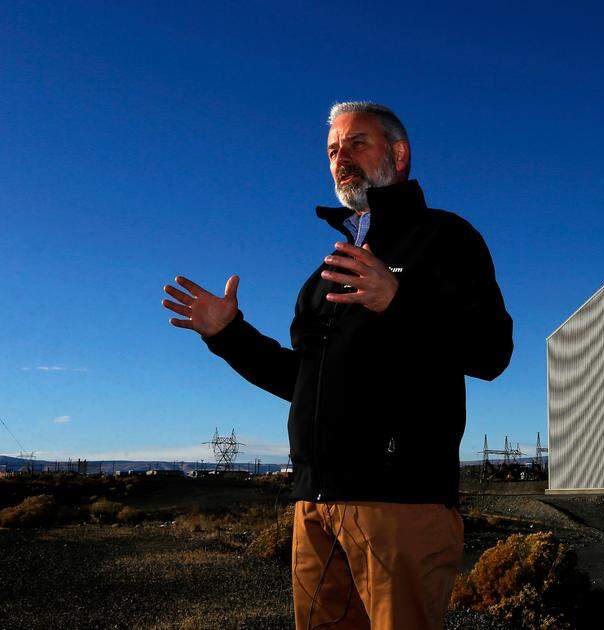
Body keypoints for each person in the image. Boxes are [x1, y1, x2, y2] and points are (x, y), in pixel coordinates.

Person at [162, 101, 513, 629]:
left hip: (400, 501)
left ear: (398, 153)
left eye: (356, 143)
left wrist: (399, 299)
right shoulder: (325, 271)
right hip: (315, 504)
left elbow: (492, 352)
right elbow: (302, 382)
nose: (340, 157)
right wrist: (228, 335)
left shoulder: (446, 239)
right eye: (332, 150)